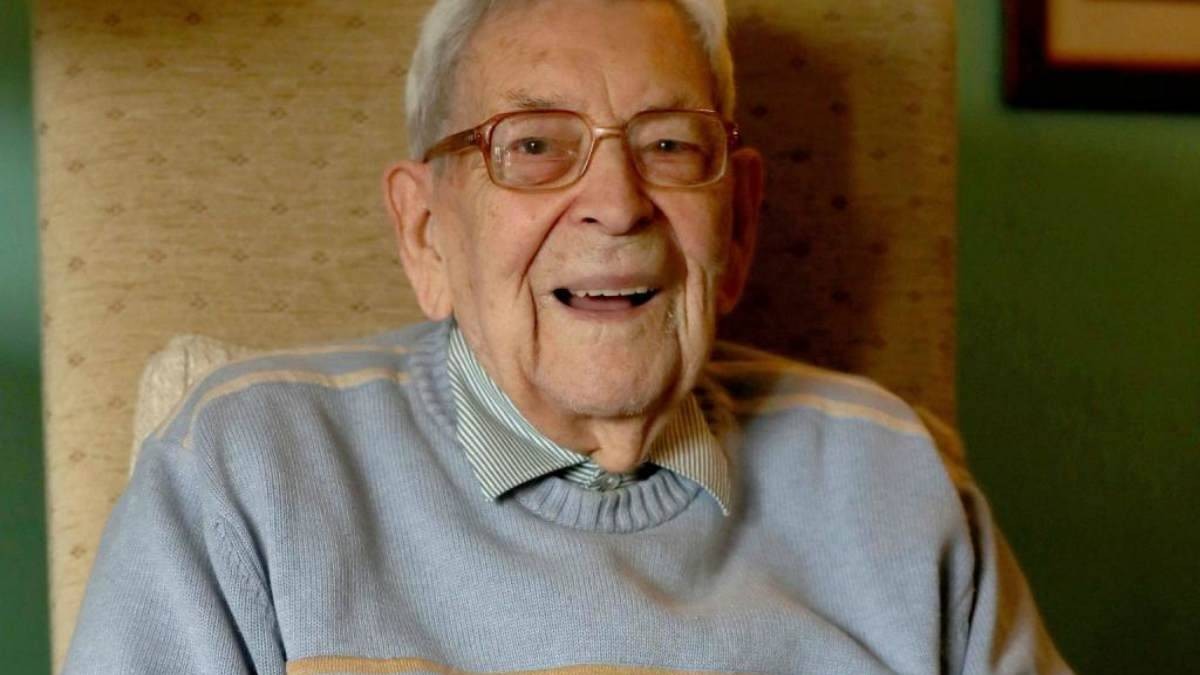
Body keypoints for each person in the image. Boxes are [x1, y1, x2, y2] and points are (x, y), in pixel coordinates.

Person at [63, 0, 1073, 673]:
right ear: (426, 232)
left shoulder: (895, 478)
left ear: (739, 225)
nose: (617, 203)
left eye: (669, 144)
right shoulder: (248, 468)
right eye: (535, 145)